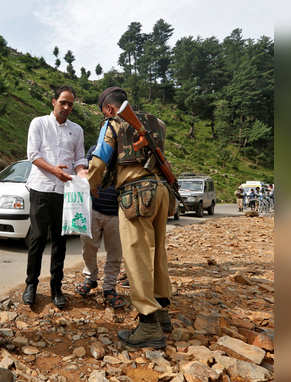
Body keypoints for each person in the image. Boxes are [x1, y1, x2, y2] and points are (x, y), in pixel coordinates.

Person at [87, 87, 172, 349]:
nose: (105, 116)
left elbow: (100, 160)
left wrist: (90, 184)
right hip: (160, 191)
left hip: (135, 193)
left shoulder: (112, 123)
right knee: (157, 253)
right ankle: (162, 314)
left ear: (109, 109)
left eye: (104, 112)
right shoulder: (157, 123)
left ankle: (147, 325)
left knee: (136, 256)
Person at [22, 86, 87, 310]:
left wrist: (82, 174)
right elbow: (33, 155)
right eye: (63, 103)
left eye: (70, 104)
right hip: (41, 187)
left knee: (60, 241)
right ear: (53, 102)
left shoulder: (77, 130)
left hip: (66, 191)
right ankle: (31, 285)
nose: (67, 107)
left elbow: (79, 158)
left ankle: (56, 288)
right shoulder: (38, 123)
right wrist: (54, 171)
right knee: (38, 237)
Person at [75, 145, 126, 309]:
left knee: (115, 252)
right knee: (88, 248)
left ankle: (109, 287)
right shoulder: (95, 150)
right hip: (93, 209)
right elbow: (86, 172)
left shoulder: (126, 151)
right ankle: (90, 278)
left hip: (118, 212)